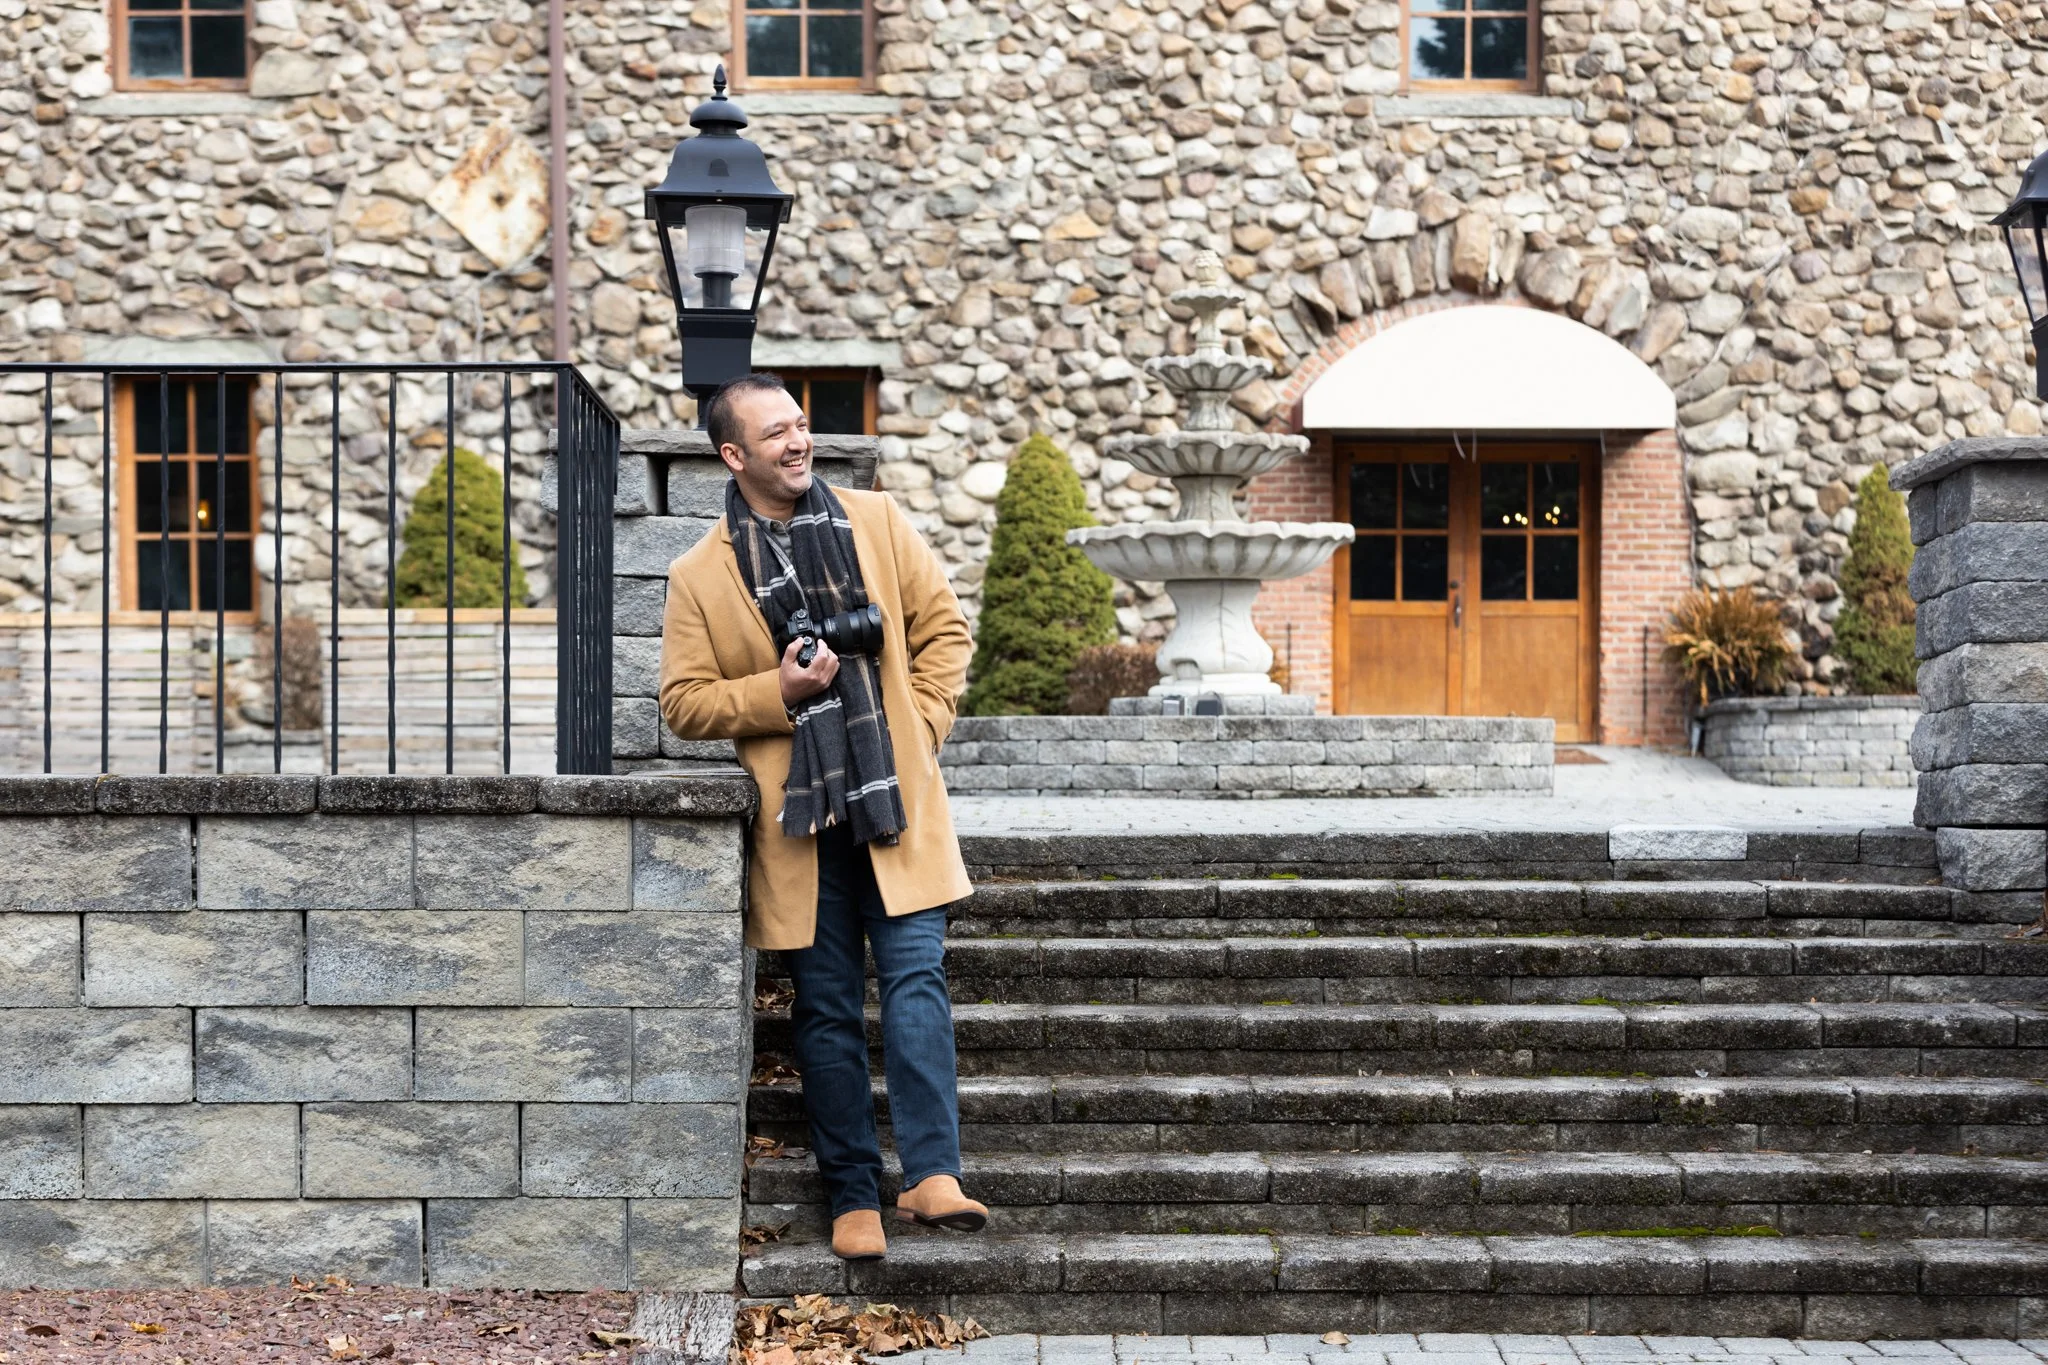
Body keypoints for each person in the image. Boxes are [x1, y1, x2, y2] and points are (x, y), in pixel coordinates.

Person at [658, 373, 985, 1263]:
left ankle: (932, 1173)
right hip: (800, 822)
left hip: (893, 800)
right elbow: (683, 702)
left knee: (917, 980)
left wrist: (919, 725)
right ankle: (854, 1195)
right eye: (776, 432)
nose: (799, 441)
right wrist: (781, 691)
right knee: (828, 1008)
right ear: (735, 455)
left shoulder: (875, 521)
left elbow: (944, 630)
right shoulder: (701, 571)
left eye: (801, 423)